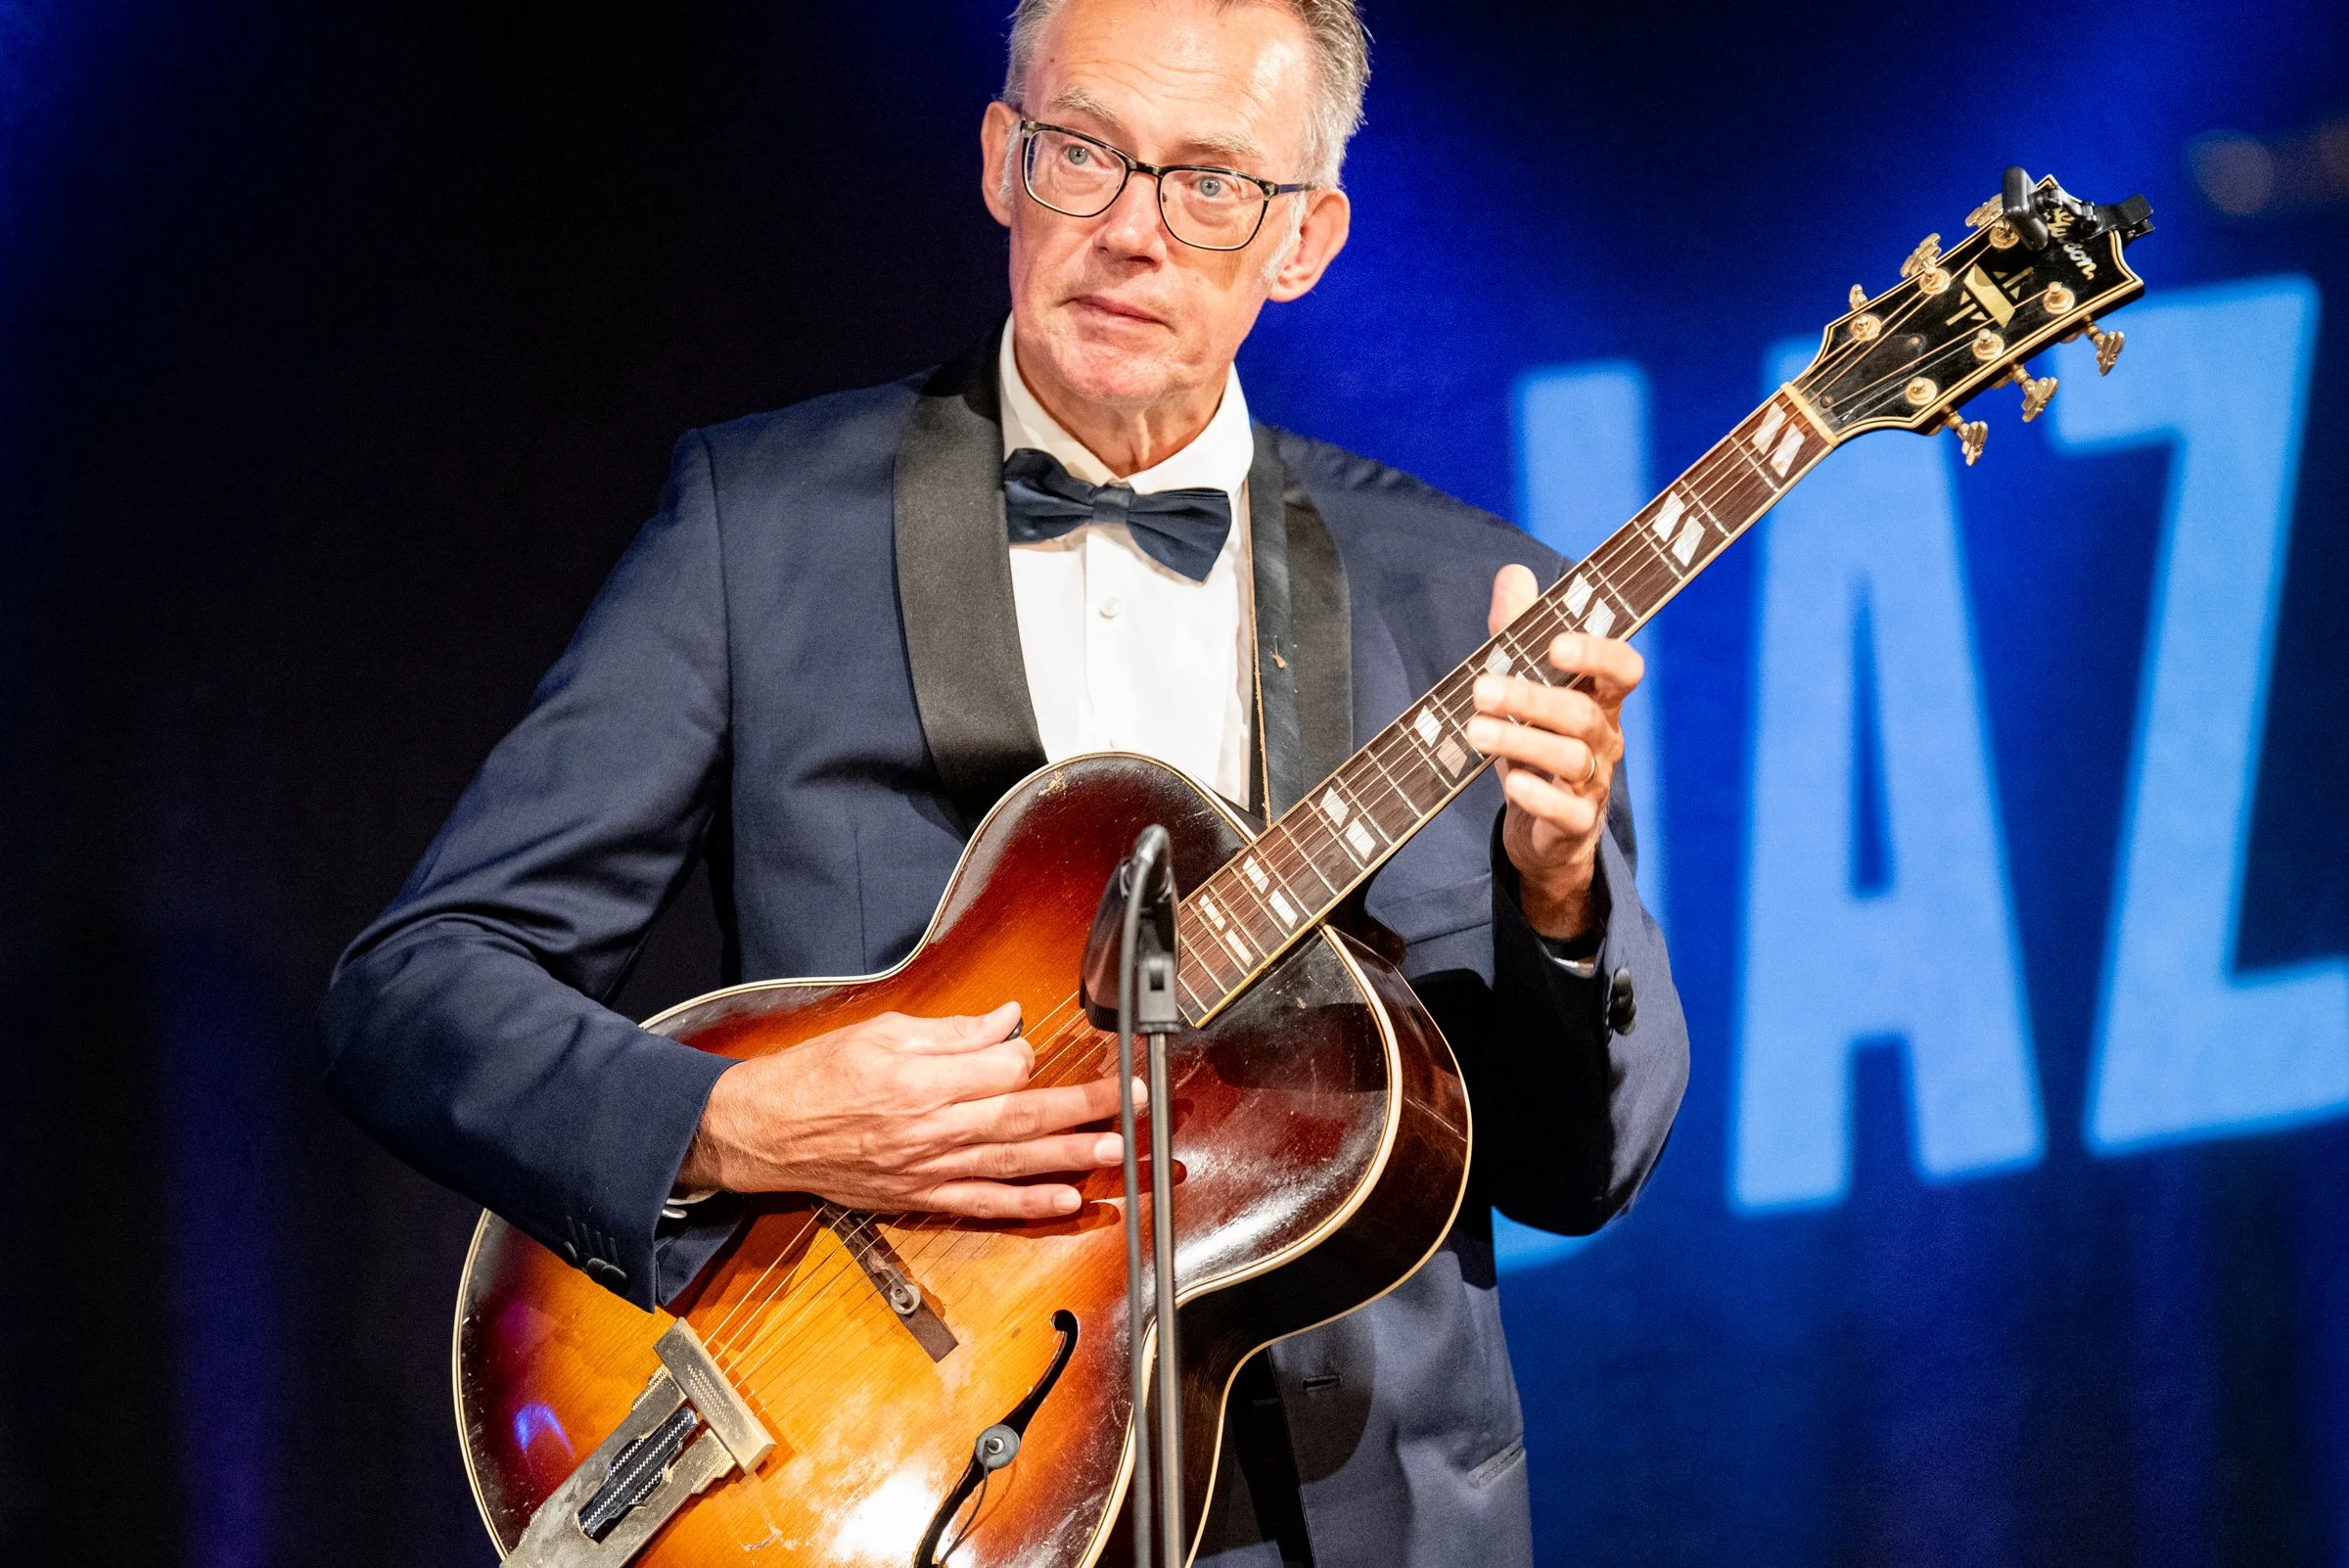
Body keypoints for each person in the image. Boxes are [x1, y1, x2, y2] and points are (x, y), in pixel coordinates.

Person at [320, 0, 1688, 1562]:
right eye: (1083, 155)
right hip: (882, 1489)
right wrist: (737, 1119)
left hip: (1354, 1521)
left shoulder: (1471, 604)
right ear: (998, 159)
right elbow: (410, 992)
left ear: (1304, 239)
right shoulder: (759, 531)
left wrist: (1558, 886)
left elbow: (1574, 1172)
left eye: (1210, 182)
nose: (1132, 232)